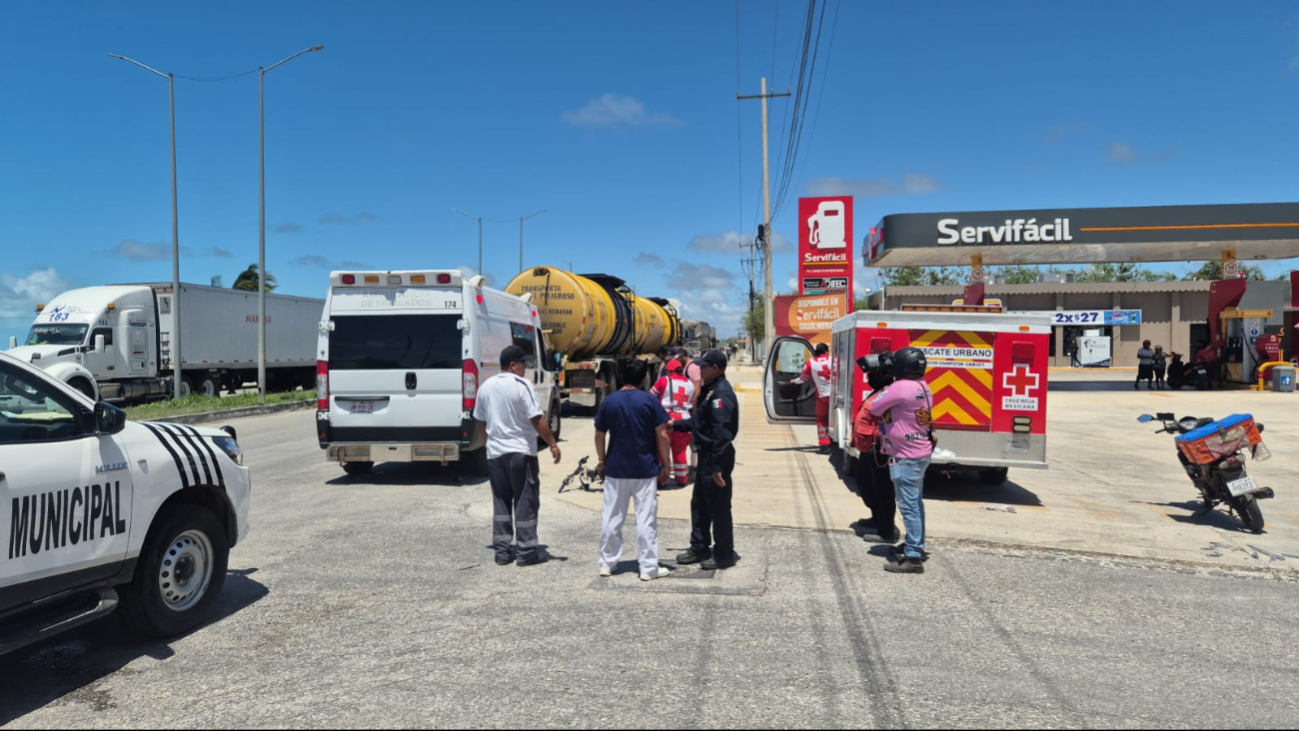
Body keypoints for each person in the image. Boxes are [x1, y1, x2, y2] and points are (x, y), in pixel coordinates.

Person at [473, 345, 562, 567]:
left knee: (501, 501)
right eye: (523, 363)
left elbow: (480, 420)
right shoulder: (522, 385)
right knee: (525, 500)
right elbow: (537, 419)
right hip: (520, 452)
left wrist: (488, 443)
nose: (525, 368)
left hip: (496, 454)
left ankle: (502, 552)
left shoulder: (485, 387)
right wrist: (552, 444)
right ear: (513, 365)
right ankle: (527, 552)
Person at [594, 359, 673, 581]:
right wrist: (666, 464)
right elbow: (663, 434)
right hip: (644, 468)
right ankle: (648, 567)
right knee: (645, 518)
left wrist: (602, 461)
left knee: (612, 516)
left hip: (616, 468)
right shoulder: (650, 401)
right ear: (643, 378)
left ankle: (607, 563)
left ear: (622, 377)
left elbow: (599, 434)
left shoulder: (609, 401)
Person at [866, 347, 934, 575]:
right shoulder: (923, 386)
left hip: (905, 455)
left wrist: (887, 385)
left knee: (909, 506)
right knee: (916, 503)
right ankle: (916, 545)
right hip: (919, 452)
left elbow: (875, 408)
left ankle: (913, 557)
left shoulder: (901, 387)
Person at [672, 349, 740, 570]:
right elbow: (700, 423)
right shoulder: (710, 391)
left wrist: (718, 466)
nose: (700, 370)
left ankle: (724, 554)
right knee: (699, 503)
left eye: (704, 367)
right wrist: (675, 424)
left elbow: (722, 432)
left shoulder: (721, 395)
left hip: (715, 456)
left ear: (716, 368)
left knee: (718, 507)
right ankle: (699, 547)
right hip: (706, 455)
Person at [852, 364, 898, 544]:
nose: (868, 378)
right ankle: (877, 517)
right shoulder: (878, 391)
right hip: (868, 448)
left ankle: (887, 531)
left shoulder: (888, 394)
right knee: (863, 481)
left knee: (883, 489)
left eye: (871, 375)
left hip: (879, 448)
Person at [650, 359, 695, 486]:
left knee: (661, 451)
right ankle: (682, 479)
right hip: (684, 420)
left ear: (668, 371)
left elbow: (651, 396)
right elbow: (692, 402)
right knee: (680, 451)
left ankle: (661, 479)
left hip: (666, 419)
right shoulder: (690, 383)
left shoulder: (664, 380)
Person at [792, 343, 834, 453]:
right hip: (835, 395)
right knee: (832, 418)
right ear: (826, 351)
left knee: (822, 419)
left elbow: (802, 379)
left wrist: (793, 381)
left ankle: (824, 445)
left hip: (822, 396)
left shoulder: (811, 363)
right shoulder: (833, 360)